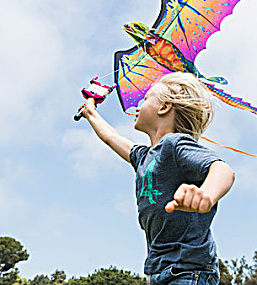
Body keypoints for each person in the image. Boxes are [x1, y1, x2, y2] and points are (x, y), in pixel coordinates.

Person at [81, 72, 235, 285]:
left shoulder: (175, 144)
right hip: (160, 269)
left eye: (145, 100)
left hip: (188, 270)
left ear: (164, 108)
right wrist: (91, 112)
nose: (137, 107)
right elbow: (111, 137)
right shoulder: (144, 156)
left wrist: (206, 194)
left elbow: (222, 170)